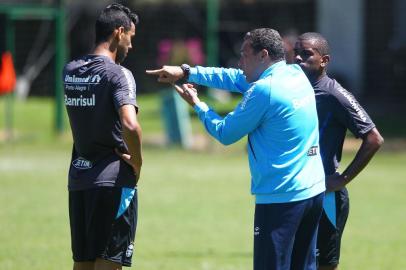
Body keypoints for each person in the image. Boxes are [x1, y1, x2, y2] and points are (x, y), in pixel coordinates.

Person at [147, 28, 325, 270]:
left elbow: (225, 132)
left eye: (244, 55)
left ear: (263, 55)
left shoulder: (264, 90)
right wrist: (186, 71)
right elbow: (232, 77)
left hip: (281, 198)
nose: (239, 62)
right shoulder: (294, 73)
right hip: (313, 191)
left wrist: (198, 105)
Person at [293, 32, 384, 270]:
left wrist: (343, 179)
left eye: (306, 54)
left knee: (324, 265)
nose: (298, 59)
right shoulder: (290, 90)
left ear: (324, 60)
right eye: (295, 53)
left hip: (325, 196)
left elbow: (374, 138)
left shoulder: (334, 94)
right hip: (292, 192)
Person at [63, 3, 142, 270]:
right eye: (130, 37)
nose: (130, 46)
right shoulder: (119, 74)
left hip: (79, 180)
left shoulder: (70, 71)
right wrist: (138, 162)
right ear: (119, 32)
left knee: (82, 264)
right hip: (113, 182)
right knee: (108, 263)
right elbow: (130, 125)